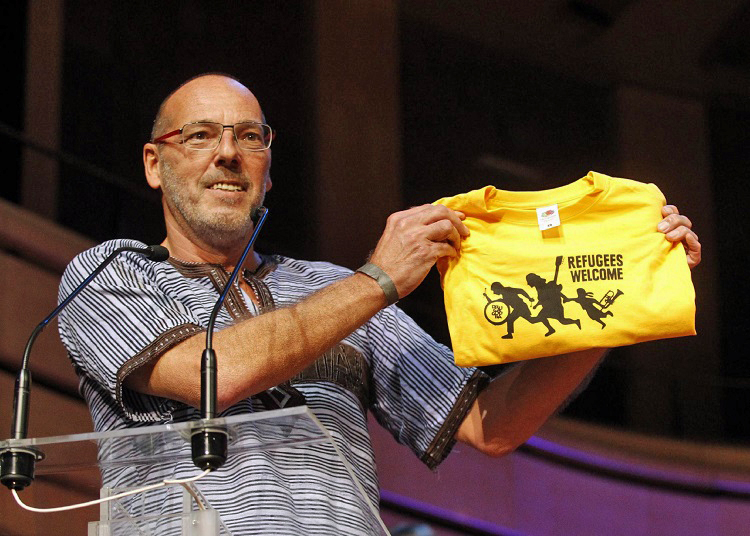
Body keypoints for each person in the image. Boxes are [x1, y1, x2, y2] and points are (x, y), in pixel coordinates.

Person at [57, 73, 702, 534]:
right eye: (200, 135)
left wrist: (619, 298)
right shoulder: (107, 273)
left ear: (268, 170)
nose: (228, 153)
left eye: (250, 137)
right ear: (154, 163)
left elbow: (492, 424)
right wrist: (379, 279)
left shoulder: (330, 286)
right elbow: (215, 374)